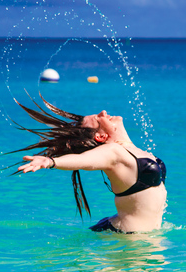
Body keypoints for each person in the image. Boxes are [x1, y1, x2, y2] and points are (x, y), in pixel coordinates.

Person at [11, 94, 166, 234]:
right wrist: (51, 161)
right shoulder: (113, 152)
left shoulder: (135, 150)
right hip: (126, 237)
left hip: (142, 236)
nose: (104, 112)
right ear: (100, 136)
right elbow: (83, 160)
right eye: (98, 118)